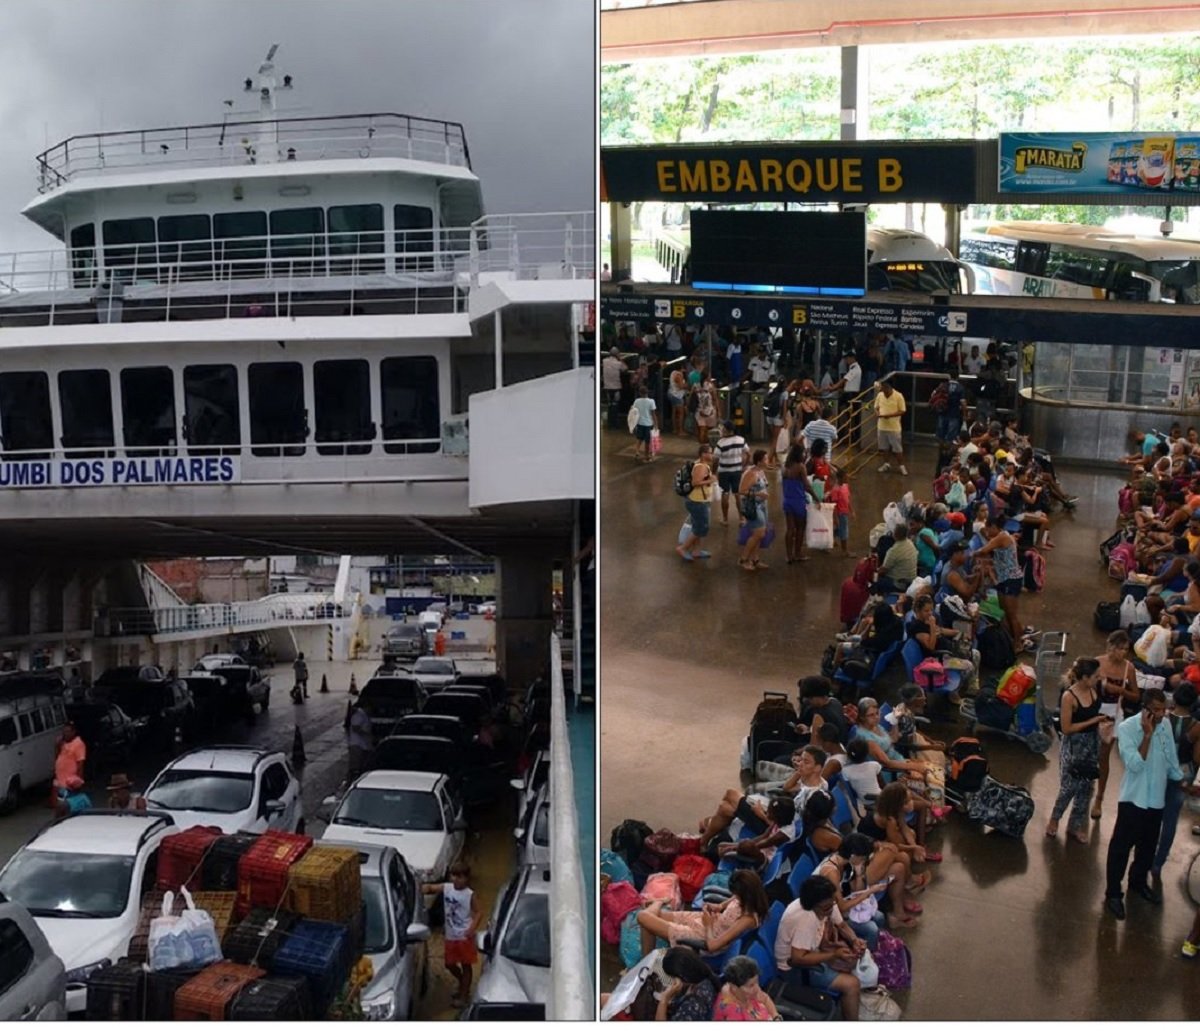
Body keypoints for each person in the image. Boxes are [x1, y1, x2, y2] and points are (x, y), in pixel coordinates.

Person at [1103, 688, 1193, 919]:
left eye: (1164, 709)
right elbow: (1135, 765)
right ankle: (1113, 893)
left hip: (1155, 801)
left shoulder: (1165, 726)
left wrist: (1182, 781)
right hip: (1134, 799)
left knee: (1147, 847)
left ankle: (1138, 882)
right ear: (1145, 709)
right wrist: (1147, 734)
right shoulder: (1127, 728)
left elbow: (1170, 759)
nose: (1162, 714)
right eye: (1156, 710)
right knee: (1121, 848)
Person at [774, 876, 862, 1020]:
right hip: (795, 970)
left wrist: (854, 940)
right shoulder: (806, 919)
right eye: (827, 907)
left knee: (851, 960)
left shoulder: (825, 903)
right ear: (813, 906)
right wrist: (833, 955)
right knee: (852, 984)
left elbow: (842, 925)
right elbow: (797, 959)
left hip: (812, 948)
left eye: (833, 903)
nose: (832, 908)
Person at [637, 868, 767, 958]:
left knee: (643, 917)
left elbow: (713, 946)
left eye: (737, 895)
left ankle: (658, 903)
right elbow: (725, 904)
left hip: (705, 937)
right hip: (707, 922)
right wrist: (718, 907)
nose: (735, 897)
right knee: (653, 917)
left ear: (745, 894)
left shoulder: (747, 919)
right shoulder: (746, 898)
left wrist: (708, 924)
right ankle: (646, 961)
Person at [1047, 658, 1108, 843]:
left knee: (1086, 787)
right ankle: (1055, 818)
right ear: (1084, 678)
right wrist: (1093, 721)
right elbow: (1066, 728)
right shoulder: (1069, 697)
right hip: (1074, 745)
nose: (1100, 678)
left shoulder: (1094, 689)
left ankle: (1075, 825)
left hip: (1091, 742)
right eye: (1096, 676)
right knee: (1069, 786)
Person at [1149, 682, 1200, 899]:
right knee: (1170, 821)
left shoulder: (1163, 718)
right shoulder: (1196, 725)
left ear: (1174, 699)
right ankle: (1158, 863)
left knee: (1152, 814)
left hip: (1161, 769)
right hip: (1184, 771)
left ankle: (1145, 854)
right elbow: (1198, 757)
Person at [817, 831, 912, 943]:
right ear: (853, 856)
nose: (864, 861)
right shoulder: (831, 872)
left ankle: (878, 944)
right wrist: (870, 891)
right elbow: (842, 907)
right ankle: (868, 952)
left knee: (880, 916)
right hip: (830, 915)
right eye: (863, 858)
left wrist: (859, 874)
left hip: (847, 902)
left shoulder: (847, 862)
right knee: (872, 929)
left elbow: (857, 891)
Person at [1092, 631, 1141, 820]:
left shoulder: (1129, 668)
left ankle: (1099, 798)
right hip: (1094, 710)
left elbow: (1136, 696)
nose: (1123, 653)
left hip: (1113, 715)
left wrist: (1120, 690)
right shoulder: (1098, 662)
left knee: (1103, 758)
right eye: (1120, 649)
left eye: (1126, 650)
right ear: (1110, 647)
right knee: (1088, 753)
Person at [423, 861, 481, 1007]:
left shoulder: (470, 895)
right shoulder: (447, 888)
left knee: (466, 965)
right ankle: (463, 984)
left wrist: (472, 929)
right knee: (449, 964)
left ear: (466, 878)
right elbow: (431, 888)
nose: (456, 879)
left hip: (464, 936)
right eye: (454, 876)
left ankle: (464, 995)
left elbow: (479, 912)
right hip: (450, 935)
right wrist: (420, 888)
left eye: (460, 877)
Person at [974, 517, 1026, 648]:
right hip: (1003, 579)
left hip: (1011, 579)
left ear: (995, 527)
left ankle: (1018, 643)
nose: (986, 531)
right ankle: (1012, 637)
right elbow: (999, 559)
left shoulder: (1001, 537)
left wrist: (970, 555)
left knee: (1011, 614)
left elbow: (983, 551)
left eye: (988, 528)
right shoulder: (1001, 538)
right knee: (1004, 611)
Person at [653, 947, 721, 1020]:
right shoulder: (704, 976)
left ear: (682, 977)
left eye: (672, 977)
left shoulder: (692, 1006)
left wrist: (664, 1000)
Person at [781, 443, 820, 563]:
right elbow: (806, 485)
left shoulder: (784, 467)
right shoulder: (800, 467)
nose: (805, 454)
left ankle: (788, 555)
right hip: (798, 500)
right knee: (800, 528)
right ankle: (798, 554)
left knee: (789, 529)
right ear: (799, 453)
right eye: (803, 452)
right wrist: (816, 498)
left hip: (787, 500)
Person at [677, 443, 715, 562]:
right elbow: (695, 482)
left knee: (697, 525)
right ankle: (683, 548)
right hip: (697, 501)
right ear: (703, 454)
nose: (712, 455)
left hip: (698, 500)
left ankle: (696, 551)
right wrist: (711, 479)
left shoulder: (701, 464)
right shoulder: (701, 466)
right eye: (710, 452)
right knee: (701, 527)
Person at [712, 956, 779, 1021]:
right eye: (751, 985)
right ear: (734, 987)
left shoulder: (750, 992)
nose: (757, 988)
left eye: (757, 982)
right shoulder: (732, 1012)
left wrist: (776, 1017)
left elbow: (765, 999)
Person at [737, 449, 771, 572]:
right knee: (759, 533)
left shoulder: (761, 472)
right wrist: (758, 494)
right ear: (759, 461)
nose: (768, 461)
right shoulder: (751, 474)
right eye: (766, 459)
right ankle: (744, 558)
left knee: (759, 534)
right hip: (753, 506)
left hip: (762, 505)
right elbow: (742, 490)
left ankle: (755, 558)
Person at [715, 420, 750, 527]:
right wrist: (743, 466)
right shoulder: (741, 440)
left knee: (725, 493)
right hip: (737, 471)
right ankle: (741, 518)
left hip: (724, 472)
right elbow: (748, 453)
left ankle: (725, 519)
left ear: (726, 430)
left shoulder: (720, 443)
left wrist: (713, 471)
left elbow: (715, 459)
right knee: (738, 495)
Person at [826, 353, 863, 450]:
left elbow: (843, 380)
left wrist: (833, 387)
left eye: (847, 359)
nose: (846, 361)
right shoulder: (852, 369)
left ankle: (848, 436)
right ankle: (844, 435)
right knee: (847, 415)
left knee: (849, 416)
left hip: (851, 395)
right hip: (848, 394)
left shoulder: (855, 369)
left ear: (852, 358)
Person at [873, 380, 908, 475]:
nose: (884, 390)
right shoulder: (880, 395)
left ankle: (901, 466)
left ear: (890, 387)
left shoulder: (898, 396)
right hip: (882, 426)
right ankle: (886, 464)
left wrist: (890, 415)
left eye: (885, 388)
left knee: (897, 448)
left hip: (894, 427)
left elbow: (902, 410)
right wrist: (877, 413)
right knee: (884, 447)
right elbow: (876, 407)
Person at [876, 523, 917, 593]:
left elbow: (883, 570)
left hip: (899, 585)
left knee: (873, 580)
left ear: (895, 534)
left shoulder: (894, 551)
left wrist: (875, 570)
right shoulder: (910, 543)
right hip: (911, 580)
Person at [53, 721, 86, 806]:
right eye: (64, 732)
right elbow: (57, 757)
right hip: (60, 781)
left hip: (70, 782)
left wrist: (78, 780)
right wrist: (57, 745)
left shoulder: (78, 744)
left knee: (68, 804)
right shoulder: (63, 743)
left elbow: (80, 763)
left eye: (68, 732)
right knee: (59, 804)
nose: (65, 734)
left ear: (73, 732)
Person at [827, 468, 854, 558]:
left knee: (840, 530)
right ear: (840, 478)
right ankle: (845, 551)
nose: (847, 479)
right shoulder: (835, 490)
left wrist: (852, 510)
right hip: (840, 514)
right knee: (844, 532)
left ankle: (828, 540)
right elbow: (834, 505)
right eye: (845, 478)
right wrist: (835, 518)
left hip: (845, 512)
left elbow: (848, 499)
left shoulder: (845, 486)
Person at [632, 385, 659, 462]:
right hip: (648, 424)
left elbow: (633, 411)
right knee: (647, 441)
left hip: (639, 423)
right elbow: (653, 414)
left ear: (640, 393)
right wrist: (656, 424)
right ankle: (646, 456)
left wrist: (633, 424)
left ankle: (637, 451)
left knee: (639, 438)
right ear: (647, 392)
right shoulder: (651, 401)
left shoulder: (637, 401)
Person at [347, 700, 373, 780]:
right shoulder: (359, 715)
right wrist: (366, 734)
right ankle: (352, 778)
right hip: (357, 744)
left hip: (362, 744)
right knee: (355, 764)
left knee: (360, 763)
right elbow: (355, 728)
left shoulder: (363, 715)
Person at [602, 346, 627, 423]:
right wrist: (621, 359)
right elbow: (625, 368)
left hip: (607, 386)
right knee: (616, 404)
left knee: (609, 404)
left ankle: (610, 421)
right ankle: (615, 422)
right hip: (616, 387)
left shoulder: (604, 361)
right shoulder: (618, 363)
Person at [667, 366, 689, 436]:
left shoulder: (673, 373)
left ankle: (674, 429)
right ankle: (680, 431)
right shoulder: (679, 375)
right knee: (680, 413)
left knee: (674, 412)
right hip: (677, 395)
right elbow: (681, 386)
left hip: (671, 393)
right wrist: (687, 385)